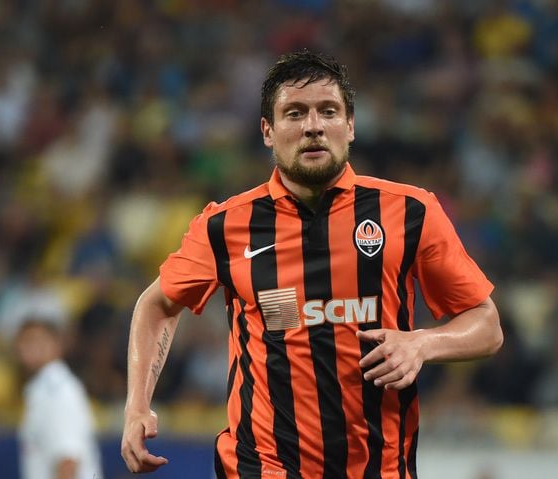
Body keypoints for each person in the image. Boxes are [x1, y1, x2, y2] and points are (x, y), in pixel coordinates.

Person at [121, 50, 503, 478]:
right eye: (295, 113)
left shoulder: (410, 212)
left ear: (350, 126)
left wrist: (421, 344)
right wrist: (136, 407)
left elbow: (487, 325)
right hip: (262, 466)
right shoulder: (225, 225)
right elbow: (157, 305)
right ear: (267, 131)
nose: (313, 126)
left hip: (379, 467)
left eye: (329, 111)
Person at [15, 318, 103, 479]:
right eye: (25, 341)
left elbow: (68, 461)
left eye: (37, 340)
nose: (29, 348)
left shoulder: (58, 390)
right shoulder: (41, 389)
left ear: (57, 344)